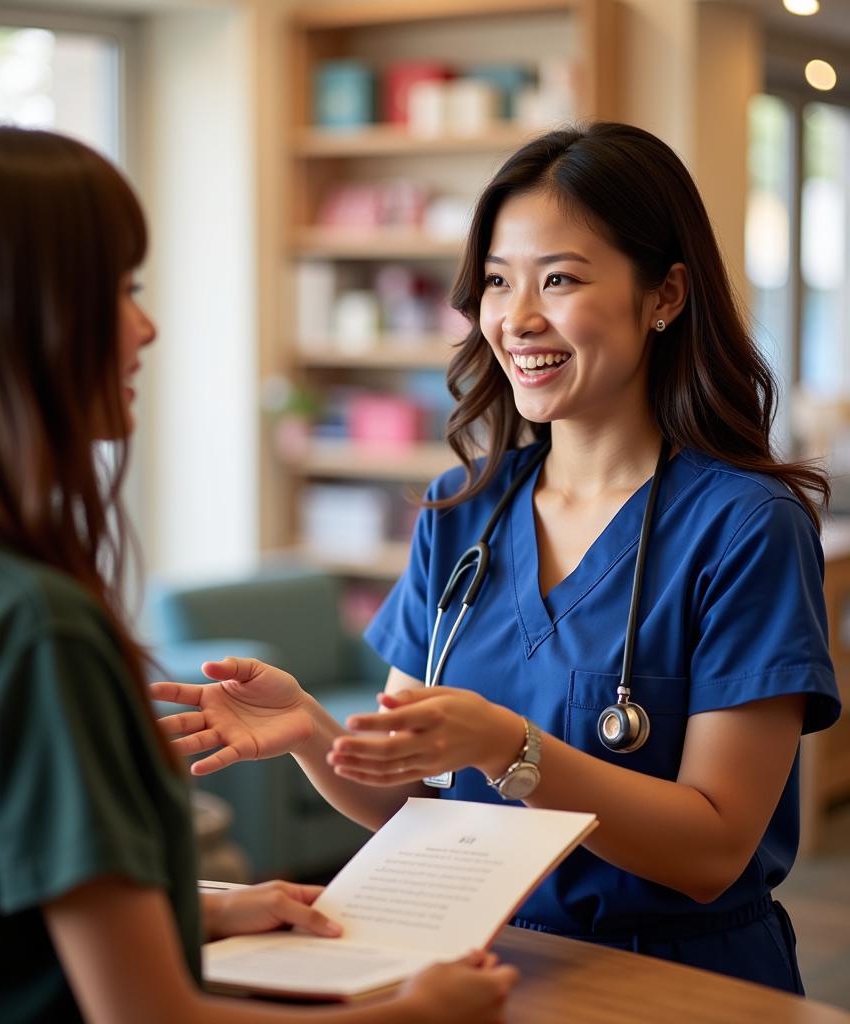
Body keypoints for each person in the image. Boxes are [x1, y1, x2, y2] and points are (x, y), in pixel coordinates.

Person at [0, 121, 517, 1024]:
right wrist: (420, 1015)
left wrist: (210, 909)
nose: (145, 328)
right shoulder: (34, 630)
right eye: (117, 291)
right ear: (8, 320)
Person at [154, 122, 843, 994]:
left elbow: (711, 848)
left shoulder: (746, 529)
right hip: (475, 967)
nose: (516, 319)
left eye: (559, 278)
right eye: (495, 281)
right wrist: (309, 733)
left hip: (674, 982)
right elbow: (414, 809)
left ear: (664, 294)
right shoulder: (463, 511)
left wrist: (510, 748)